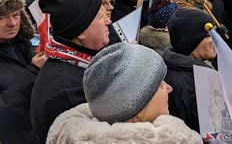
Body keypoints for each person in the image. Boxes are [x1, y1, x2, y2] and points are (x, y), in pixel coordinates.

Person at [47, 43, 201, 143]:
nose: (169, 88)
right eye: (160, 84)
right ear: (136, 105)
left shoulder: (70, 136)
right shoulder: (175, 139)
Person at [30, 0, 111, 141]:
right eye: (101, 17)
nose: (109, 21)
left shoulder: (79, 63)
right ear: (81, 32)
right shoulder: (67, 90)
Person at [0, 0, 47, 144]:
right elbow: (4, 110)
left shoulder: (25, 46)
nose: (12, 23)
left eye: (15, 15)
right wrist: (33, 70)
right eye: (2, 18)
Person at [162, 8, 217, 132]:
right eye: (209, 35)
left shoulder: (164, 66)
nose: (215, 40)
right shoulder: (202, 80)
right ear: (190, 42)